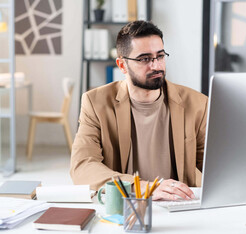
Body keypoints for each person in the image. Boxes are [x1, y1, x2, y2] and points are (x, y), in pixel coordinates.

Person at [70, 21, 208, 201]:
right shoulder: (95, 103)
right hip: (127, 206)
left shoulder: (197, 103)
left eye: (160, 56)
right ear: (122, 65)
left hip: (180, 205)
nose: (156, 66)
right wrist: (145, 187)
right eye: (144, 59)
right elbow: (82, 167)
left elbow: (214, 167)